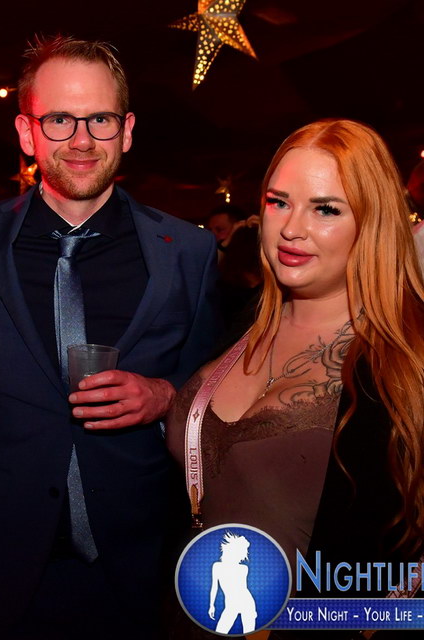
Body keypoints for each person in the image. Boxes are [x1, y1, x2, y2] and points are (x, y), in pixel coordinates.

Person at [0, 35, 220, 640]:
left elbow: (215, 384)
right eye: (59, 120)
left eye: (99, 119)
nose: (80, 140)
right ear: (27, 132)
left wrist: (166, 395)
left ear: (127, 130)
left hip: (139, 567)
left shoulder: (188, 252)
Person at [168, 119, 424, 625]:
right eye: (278, 202)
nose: (291, 228)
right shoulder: (244, 319)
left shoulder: (404, 361)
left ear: (372, 223)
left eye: (325, 209)